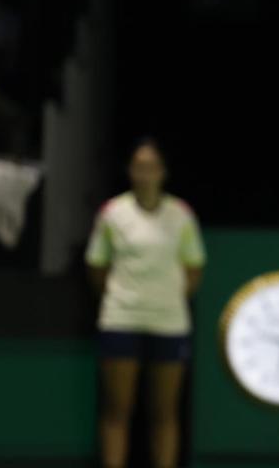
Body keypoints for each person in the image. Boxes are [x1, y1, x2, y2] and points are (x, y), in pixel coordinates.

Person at [86, 138, 205, 468]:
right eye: (139, 167)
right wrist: (124, 298)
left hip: (169, 323)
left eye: (151, 167)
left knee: (165, 414)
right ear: (130, 172)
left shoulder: (181, 216)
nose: (145, 174)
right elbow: (97, 267)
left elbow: (194, 269)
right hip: (121, 320)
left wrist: (165, 299)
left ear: (163, 173)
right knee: (116, 412)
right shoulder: (112, 213)